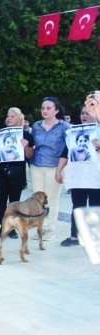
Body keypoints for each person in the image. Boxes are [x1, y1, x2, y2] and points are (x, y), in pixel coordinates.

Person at [56, 101, 100, 246]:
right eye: (82, 113)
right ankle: (75, 236)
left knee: (95, 207)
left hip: (96, 177)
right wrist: (58, 171)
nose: (84, 116)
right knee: (77, 206)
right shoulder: (72, 133)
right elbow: (65, 153)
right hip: (78, 176)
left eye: (88, 113)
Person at [29, 97, 71, 241]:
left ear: (56, 110)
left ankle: (50, 229)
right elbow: (32, 144)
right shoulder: (36, 126)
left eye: (48, 108)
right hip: (36, 166)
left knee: (52, 199)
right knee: (38, 199)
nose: (45, 111)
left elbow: (69, 147)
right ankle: (40, 228)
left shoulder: (64, 127)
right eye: (43, 108)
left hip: (55, 166)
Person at [0, 107, 34, 238]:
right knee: (1, 200)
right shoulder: (1, 132)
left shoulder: (26, 135)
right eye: (8, 116)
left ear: (19, 119)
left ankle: (13, 227)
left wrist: (26, 146)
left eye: (12, 116)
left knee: (14, 201)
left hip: (17, 172)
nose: (9, 118)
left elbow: (30, 155)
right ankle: (3, 225)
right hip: (1, 171)